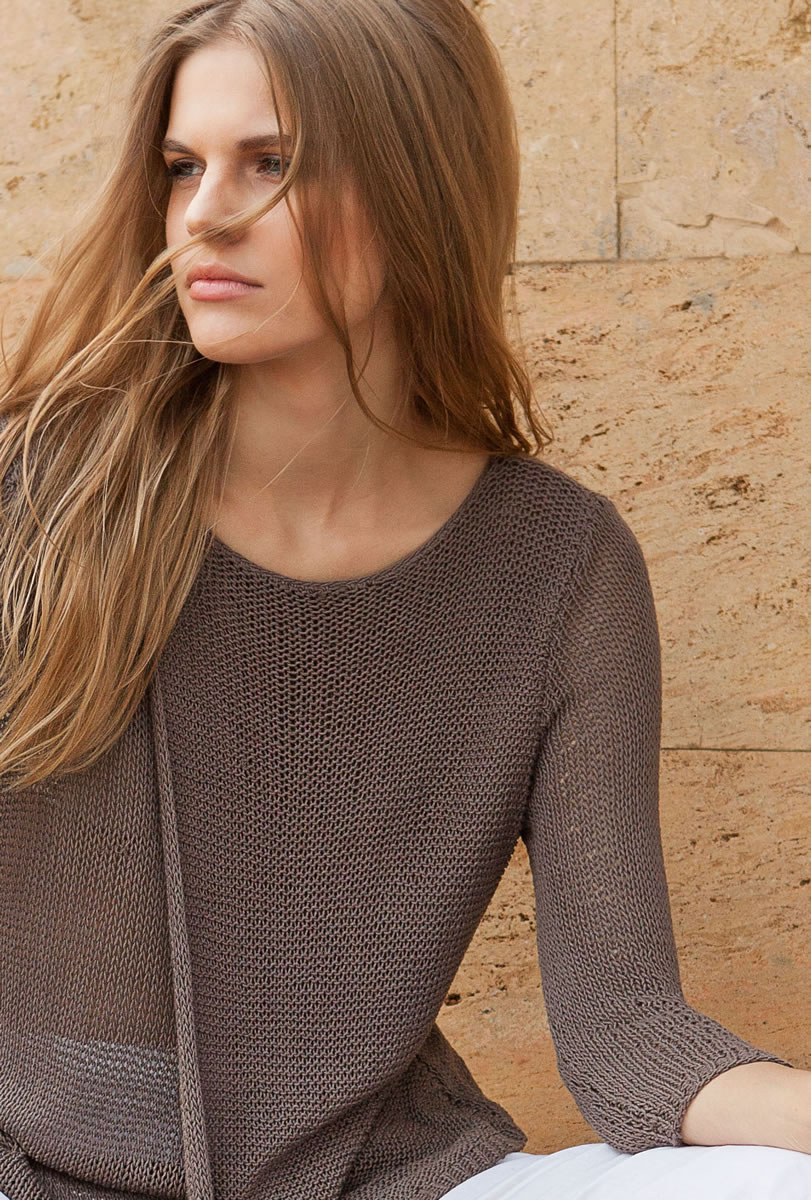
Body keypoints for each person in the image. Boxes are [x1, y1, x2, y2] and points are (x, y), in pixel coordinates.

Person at [0, 2, 808, 1199]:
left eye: (271, 164)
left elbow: (628, 1030)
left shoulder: (557, 565)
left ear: (416, 188)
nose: (205, 212)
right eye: (181, 167)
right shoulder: (40, 502)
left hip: (394, 1180)